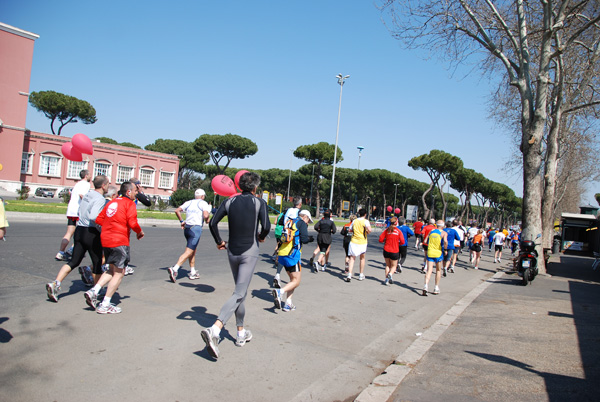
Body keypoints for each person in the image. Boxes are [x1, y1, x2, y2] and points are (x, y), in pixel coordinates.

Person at [202, 172, 270, 359]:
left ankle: (240, 333)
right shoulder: (259, 203)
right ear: (255, 187)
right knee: (240, 293)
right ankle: (215, 329)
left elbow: (213, 223)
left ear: (239, 186)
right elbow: (266, 226)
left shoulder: (229, 202)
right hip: (250, 252)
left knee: (240, 292)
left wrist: (219, 241)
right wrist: (261, 238)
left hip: (232, 251)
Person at [83, 181, 145, 314]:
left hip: (106, 240)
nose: (136, 193)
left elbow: (99, 219)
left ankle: (94, 290)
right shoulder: (129, 204)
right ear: (129, 192)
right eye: (135, 191)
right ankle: (105, 304)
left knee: (111, 269)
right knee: (119, 272)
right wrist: (139, 232)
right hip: (119, 240)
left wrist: (109, 227)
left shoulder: (112, 202)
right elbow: (132, 222)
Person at [46, 175, 109, 302]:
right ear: (103, 185)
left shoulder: (88, 194)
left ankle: (56, 283)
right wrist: (102, 227)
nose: (108, 186)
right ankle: (96, 291)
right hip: (91, 232)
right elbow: (93, 216)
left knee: (74, 261)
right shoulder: (100, 199)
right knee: (97, 263)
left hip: (79, 230)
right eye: (108, 184)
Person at [272, 210, 314, 311]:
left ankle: (288, 303)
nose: (308, 223)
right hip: (293, 255)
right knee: (296, 281)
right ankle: (280, 292)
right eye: (308, 220)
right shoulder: (301, 223)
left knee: (292, 280)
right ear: (305, 217)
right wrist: (310, 239)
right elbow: (304, 240)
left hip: (283, 253)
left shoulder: (290, 222)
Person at [167, 189, 210, 282]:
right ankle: (174, 269)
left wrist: (182, 221)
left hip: (187, 228)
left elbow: (177, 210)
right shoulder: (203, 203)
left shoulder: (189, 202)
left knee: (192, 250)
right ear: (202, 196)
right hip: (196, 229)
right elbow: (206, 215)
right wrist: (208, 219)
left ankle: (193, 271)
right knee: (188, 251)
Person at [56, 169, 91, 261]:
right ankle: (71, 250)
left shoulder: (77, 183)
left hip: (71, 210)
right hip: (79, 211)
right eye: (89, 174)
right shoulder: (86, 184)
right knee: (81, 233)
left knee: (69, 232)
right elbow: (82, 195)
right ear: (86, 176)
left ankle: (61, 252)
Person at [273, 196, 302, 287]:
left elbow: (281, 221)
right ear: (300, 204)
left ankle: (277, 274)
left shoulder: (288, 210)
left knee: (282, 254)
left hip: (284, 234)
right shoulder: (299, 213)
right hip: (293, 236)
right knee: (293, 256)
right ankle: (293, 279)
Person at [345, 208, 372, 282]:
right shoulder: (366, 221)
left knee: (352, 258)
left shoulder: (354, 221)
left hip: (353, 241)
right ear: (365, 214)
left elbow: (350, 230)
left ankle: (349, 274)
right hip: (362, 242)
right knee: (362, 258)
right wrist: (367, 232)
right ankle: (361, 274)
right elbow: (369, 230)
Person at [422, 220, 448, 296]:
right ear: (443, 226)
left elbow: (426, 241)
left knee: (429, 270)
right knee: (438, 270)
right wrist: (445, 249)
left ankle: (425, 286)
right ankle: (436, 287)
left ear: (436, 225)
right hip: (438, 253)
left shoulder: (432, 231)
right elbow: (445, 241)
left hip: (430, 252)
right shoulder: (443, 233)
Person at [378, 217, 405, 285]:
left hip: (386, 250)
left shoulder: (387, 230)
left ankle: (387, 279)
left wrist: (385, 240)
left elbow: (380, 239)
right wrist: (397, 242)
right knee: (394, 266)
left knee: (387, 265)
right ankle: (390, 274)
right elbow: (402, 242)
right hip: (394, 251)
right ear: (396, 223)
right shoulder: (398, 231)